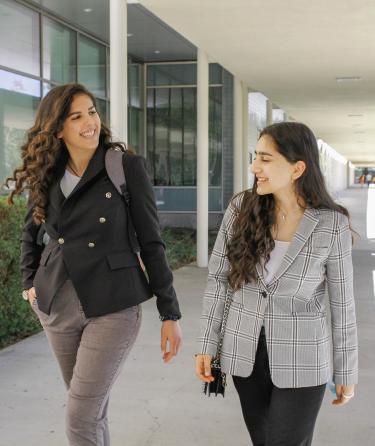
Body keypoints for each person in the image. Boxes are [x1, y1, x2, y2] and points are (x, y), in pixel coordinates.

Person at [6, 83, 182, 446]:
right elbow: (31, 231)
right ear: (58, 129)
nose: (89, 122)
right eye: (76, 116)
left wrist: (170, 314)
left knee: (80, 414)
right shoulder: (49, 171)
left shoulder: (123, 166)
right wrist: (29, 282)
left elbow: (151, 241)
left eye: (92, 112)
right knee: (90, 410)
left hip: (112, 303)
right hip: (57, 303)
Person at [195, 122, 358, 446]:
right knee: (264, 440)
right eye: (256, 157)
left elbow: (343, 305)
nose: (255, 167)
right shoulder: (241, 209)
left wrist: (347, 371)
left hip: (305, 357)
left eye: (265, 159)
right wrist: (207, 343)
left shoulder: (331, 225)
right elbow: (219, 281)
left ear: (297, 168)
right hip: (244, 354)